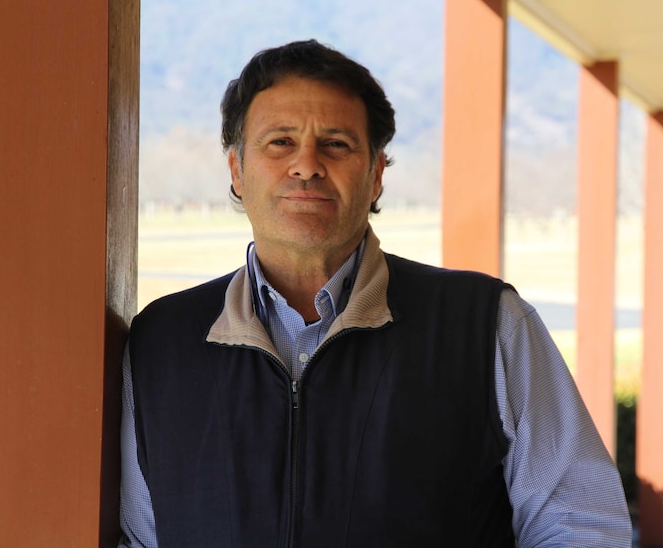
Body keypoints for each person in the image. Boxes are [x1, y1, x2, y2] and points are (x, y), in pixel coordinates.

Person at [119, 39, 632, 547]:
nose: (307, 165)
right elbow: (138, 537)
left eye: (336, 144)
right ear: (237, 169)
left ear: (376, 174)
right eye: (279, 142)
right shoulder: (162, 341)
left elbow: (581, 526)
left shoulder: (486, 326)